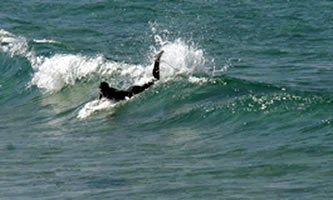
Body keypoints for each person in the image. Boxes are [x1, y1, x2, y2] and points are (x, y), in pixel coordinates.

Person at [99, 51, 164, 101]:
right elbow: (101, 96)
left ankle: (157, 61)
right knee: (154, 80)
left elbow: (123, 99)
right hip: (130, 89)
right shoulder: (104, 93)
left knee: (156, 79)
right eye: (101, 91)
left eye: (102, 91)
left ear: (106, 90)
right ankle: (156, 61)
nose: (101, 93)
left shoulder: (114, 94)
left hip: (134, 91)